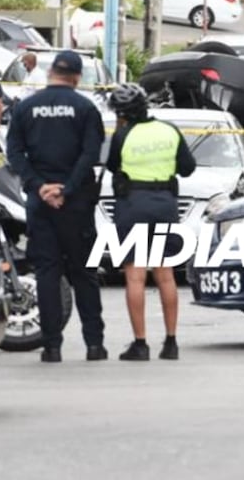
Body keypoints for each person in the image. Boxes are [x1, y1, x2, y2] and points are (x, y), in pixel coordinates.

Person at [5, 50, 107, 364]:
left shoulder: (26, 107)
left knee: (47, 273)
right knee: (84, 273)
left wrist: (40, 187)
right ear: (76, 77)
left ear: (51, 74)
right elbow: (91, 154)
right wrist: (68, 188)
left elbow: (14, 153)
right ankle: (94, 344)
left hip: (40, 202)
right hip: (76, 203)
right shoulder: (85, 108)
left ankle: (51, 346)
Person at [105, 83, 196, 361]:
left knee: (135, 276)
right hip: (164, 205)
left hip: (133, 205)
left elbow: (111, 165)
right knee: (165, 274)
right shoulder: (169, 130)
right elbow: (188, 168)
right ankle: (171, 342)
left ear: (122, 113)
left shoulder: (123, 135)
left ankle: (140, 344)